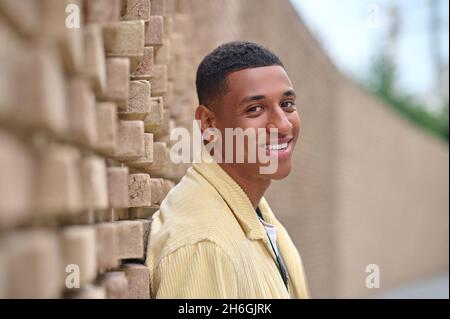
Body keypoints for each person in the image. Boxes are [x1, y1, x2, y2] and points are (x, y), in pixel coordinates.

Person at [145, 41, 310, 298]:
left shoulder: (256, 211)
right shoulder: (204, 246)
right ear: (209, 124)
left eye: (287, 104)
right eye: (255, 109)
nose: (283, 125)